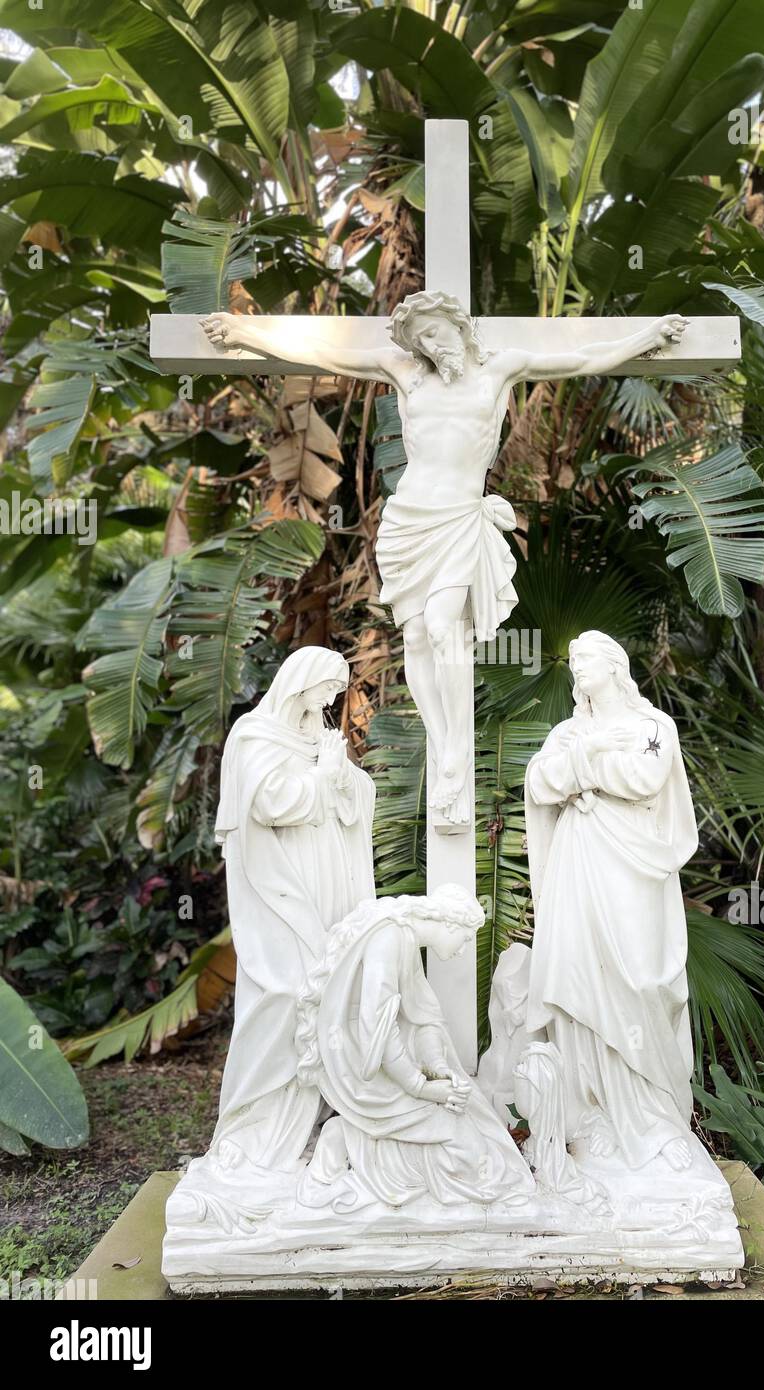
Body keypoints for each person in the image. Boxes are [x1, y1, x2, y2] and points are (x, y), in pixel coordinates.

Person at [201, 295, 688, 824]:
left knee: (441, 626)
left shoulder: (501, 368)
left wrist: (647, 337)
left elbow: (582, 359)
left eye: (436, 333)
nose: (431, 347)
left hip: (459, 518)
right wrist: (247, 334)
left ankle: (457, 744)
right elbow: (322, 353)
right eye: (421, 341)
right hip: (410, 520)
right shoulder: (405, 373)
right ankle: (441, 739)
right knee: (414, 636)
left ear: (457, 325)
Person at [524, 631, 699, 1174]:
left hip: (633, 871)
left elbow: (644, 777)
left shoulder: (652, 727)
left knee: (640, 981)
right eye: (572, 661)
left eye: (584, 660)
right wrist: (586, 760)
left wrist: (585, 768)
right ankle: (592, 1116)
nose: (575, 668)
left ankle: (653, 1119)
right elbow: (539, 781)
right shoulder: (569, 731)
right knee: (580, 975)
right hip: (580, 864)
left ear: (615, 668)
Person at [208, 646, 375, 1172]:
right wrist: (324, 779)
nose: (332, 699)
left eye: (337, 690)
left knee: (332, 990)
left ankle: (316, 1124)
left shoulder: (319, 738)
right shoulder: (255, 735)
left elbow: (357, 794)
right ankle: (254, 1128)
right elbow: (269, 803)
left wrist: (343, 776)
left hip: (329, 876)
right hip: (282, 878)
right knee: (284, 992)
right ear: (300, 682)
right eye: (327, 688)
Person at [294, 884, 535, 1209]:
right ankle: (347, 1142)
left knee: (474, 1131)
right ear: (450, 923)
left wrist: (440, 1068)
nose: (463, 949)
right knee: (470, 1150)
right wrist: (421, 1087)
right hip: (360, 1065)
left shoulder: (403, 938)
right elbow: (375, 1026)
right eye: (465, 938)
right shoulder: (389, 938)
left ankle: (359, 1145)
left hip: (386, 1058)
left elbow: (423, 1017)